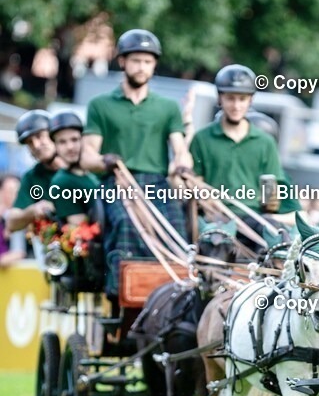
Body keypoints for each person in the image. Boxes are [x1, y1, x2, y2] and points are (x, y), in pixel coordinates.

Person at [80, 29, 191, 297]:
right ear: (122, 62)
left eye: (148, 61)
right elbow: (87, 157)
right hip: (116, 182)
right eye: (136, 60)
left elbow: (179, 149)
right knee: (126, 226)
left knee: (177, 232)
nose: (142, 67)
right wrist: (104, 160)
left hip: (157, 183)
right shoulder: (100, 105)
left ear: (154, 65)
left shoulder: (167, 107)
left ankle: (176, 295)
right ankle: (122, 294)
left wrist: (182, 164)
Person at [190, 64, 300, 221]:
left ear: (251, 100)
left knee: (277, 239)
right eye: (230, 98)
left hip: (253, 216)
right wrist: (206, 203)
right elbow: (195, 180)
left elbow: (270, 187)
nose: (236, 106)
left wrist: (271, 213)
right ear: (220, 98)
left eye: (242, 99)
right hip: (214, 216)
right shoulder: (202, 138)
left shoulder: (265, 142)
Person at [6, 110, 62, 233]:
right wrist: (32, 210)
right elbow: (11, 222)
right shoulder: (32, 177)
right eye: (30, 143)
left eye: (39, 136)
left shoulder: (80, 165)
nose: (36, 145)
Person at [49, 112, 100, 224]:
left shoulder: (95, 172)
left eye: (74, 139)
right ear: (55, 146)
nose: (70, 147)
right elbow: (79, 229)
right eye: (62, 142)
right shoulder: (61, 182)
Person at [0, 174, 25, 266]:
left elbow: (19, 253)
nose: (14, 195)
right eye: (10, 191)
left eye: (17, 192)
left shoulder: (24, 218)